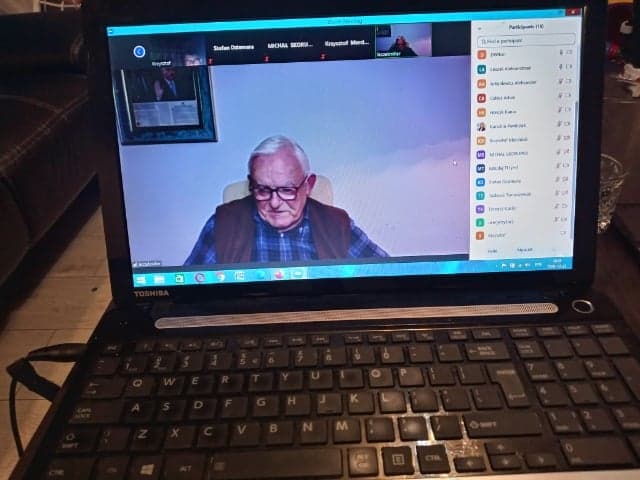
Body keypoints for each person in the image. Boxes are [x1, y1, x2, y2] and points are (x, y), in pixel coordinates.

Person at [185, 135, 388, 265]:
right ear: (251, 184)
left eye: (287, 190)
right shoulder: (223, 224)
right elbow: (191, 290)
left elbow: (385, 274)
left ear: (308, 185)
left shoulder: (336, 224)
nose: (274, 203)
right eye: (263, 189)